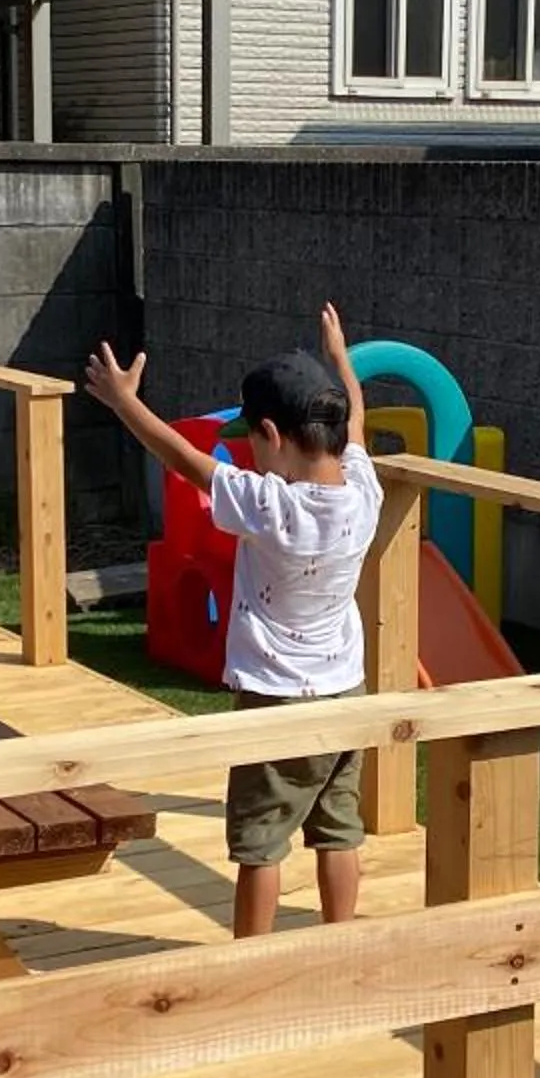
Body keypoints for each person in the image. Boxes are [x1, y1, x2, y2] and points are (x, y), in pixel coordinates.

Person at [82, 305, 380, 937]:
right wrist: (340, 357)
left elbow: (181, 457)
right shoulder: (364, 493)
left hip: (276, 700)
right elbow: (357, 417)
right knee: (339, 827)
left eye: (253, 441)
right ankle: (343, 940)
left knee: (260, 841)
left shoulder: (268, 505)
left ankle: (250, 958)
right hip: (347, 692)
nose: (251, 452)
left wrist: (123, 402)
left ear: (271, 433)